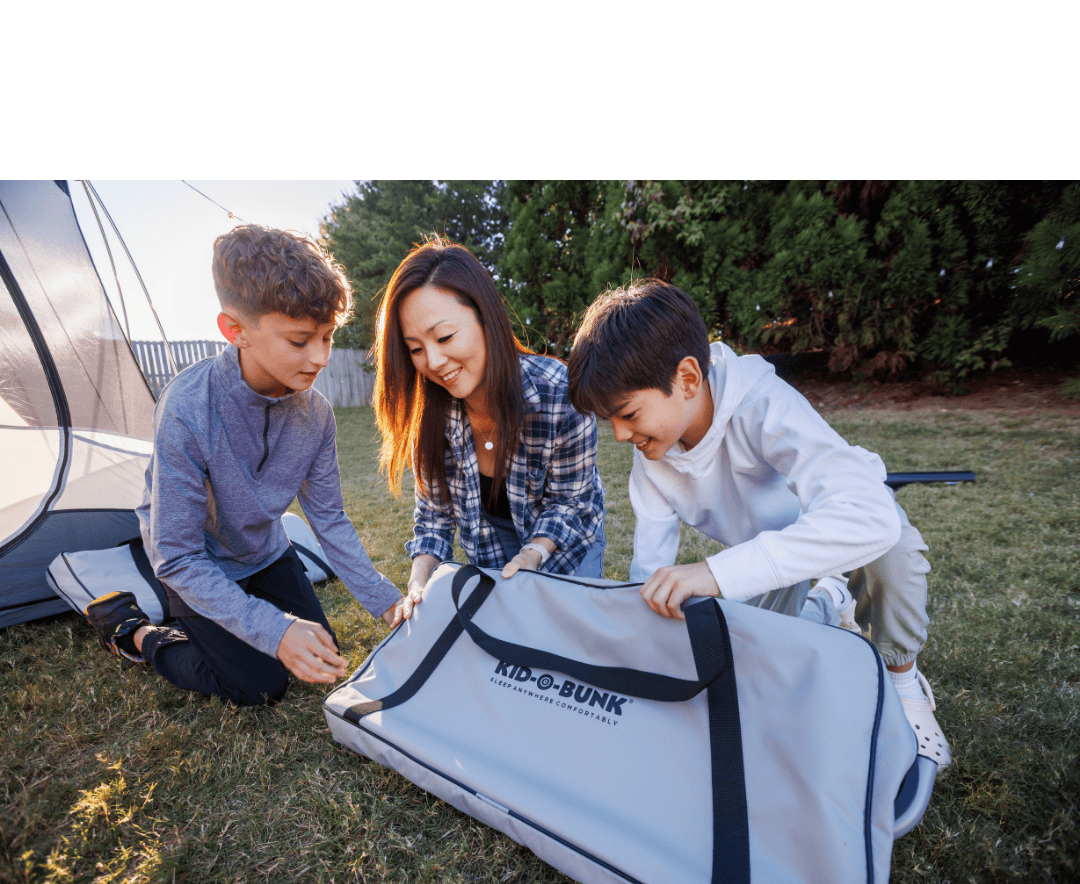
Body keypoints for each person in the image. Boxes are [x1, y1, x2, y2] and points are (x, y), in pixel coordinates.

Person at [566, 278, 951, 766]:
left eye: (626, 413)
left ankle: (902, 678)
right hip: (761, 561)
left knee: (891, 550)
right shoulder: (654, 459)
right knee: (746, 677)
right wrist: (642, 656)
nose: (620, 435)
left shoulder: (764, 404)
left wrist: (710, 574)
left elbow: (870, 517)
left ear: (687, 378)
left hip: (827, 534)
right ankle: (827, 602)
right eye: (609, 421)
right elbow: (650, 567)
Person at [83, 224, 402, 706]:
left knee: (320, 652)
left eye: (328, 337)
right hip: (198, 564)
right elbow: (177, 555)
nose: (319, 358)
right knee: (259, 685)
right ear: (235, 331)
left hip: (265, 551)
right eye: (299, 341)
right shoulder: (187, 409)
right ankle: (135, 632)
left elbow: (330, 519)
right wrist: (273, 631)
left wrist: (388, 602)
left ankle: (230, 625)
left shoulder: (316, 415)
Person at [373, 237, 605, 620]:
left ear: (486, 317)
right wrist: (417, 583)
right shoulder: (430, 411)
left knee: (561, 639)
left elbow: (570, 505)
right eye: (415, 348)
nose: (433, 361)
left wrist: (531, 555)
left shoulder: (558, 392)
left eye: (445, 337)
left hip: (565, 542)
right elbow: (434, 517)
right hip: (491, 545)